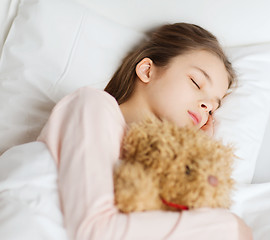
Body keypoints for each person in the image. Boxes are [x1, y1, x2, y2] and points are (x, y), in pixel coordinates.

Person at [37, 23, 252, 240]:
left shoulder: (157, 165)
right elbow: (94, 231)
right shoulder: (93, 105)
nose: (206, 106)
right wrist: (226, 228)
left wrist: (192, 159)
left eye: (214, 107)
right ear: (147, 70)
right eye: (196, 82)